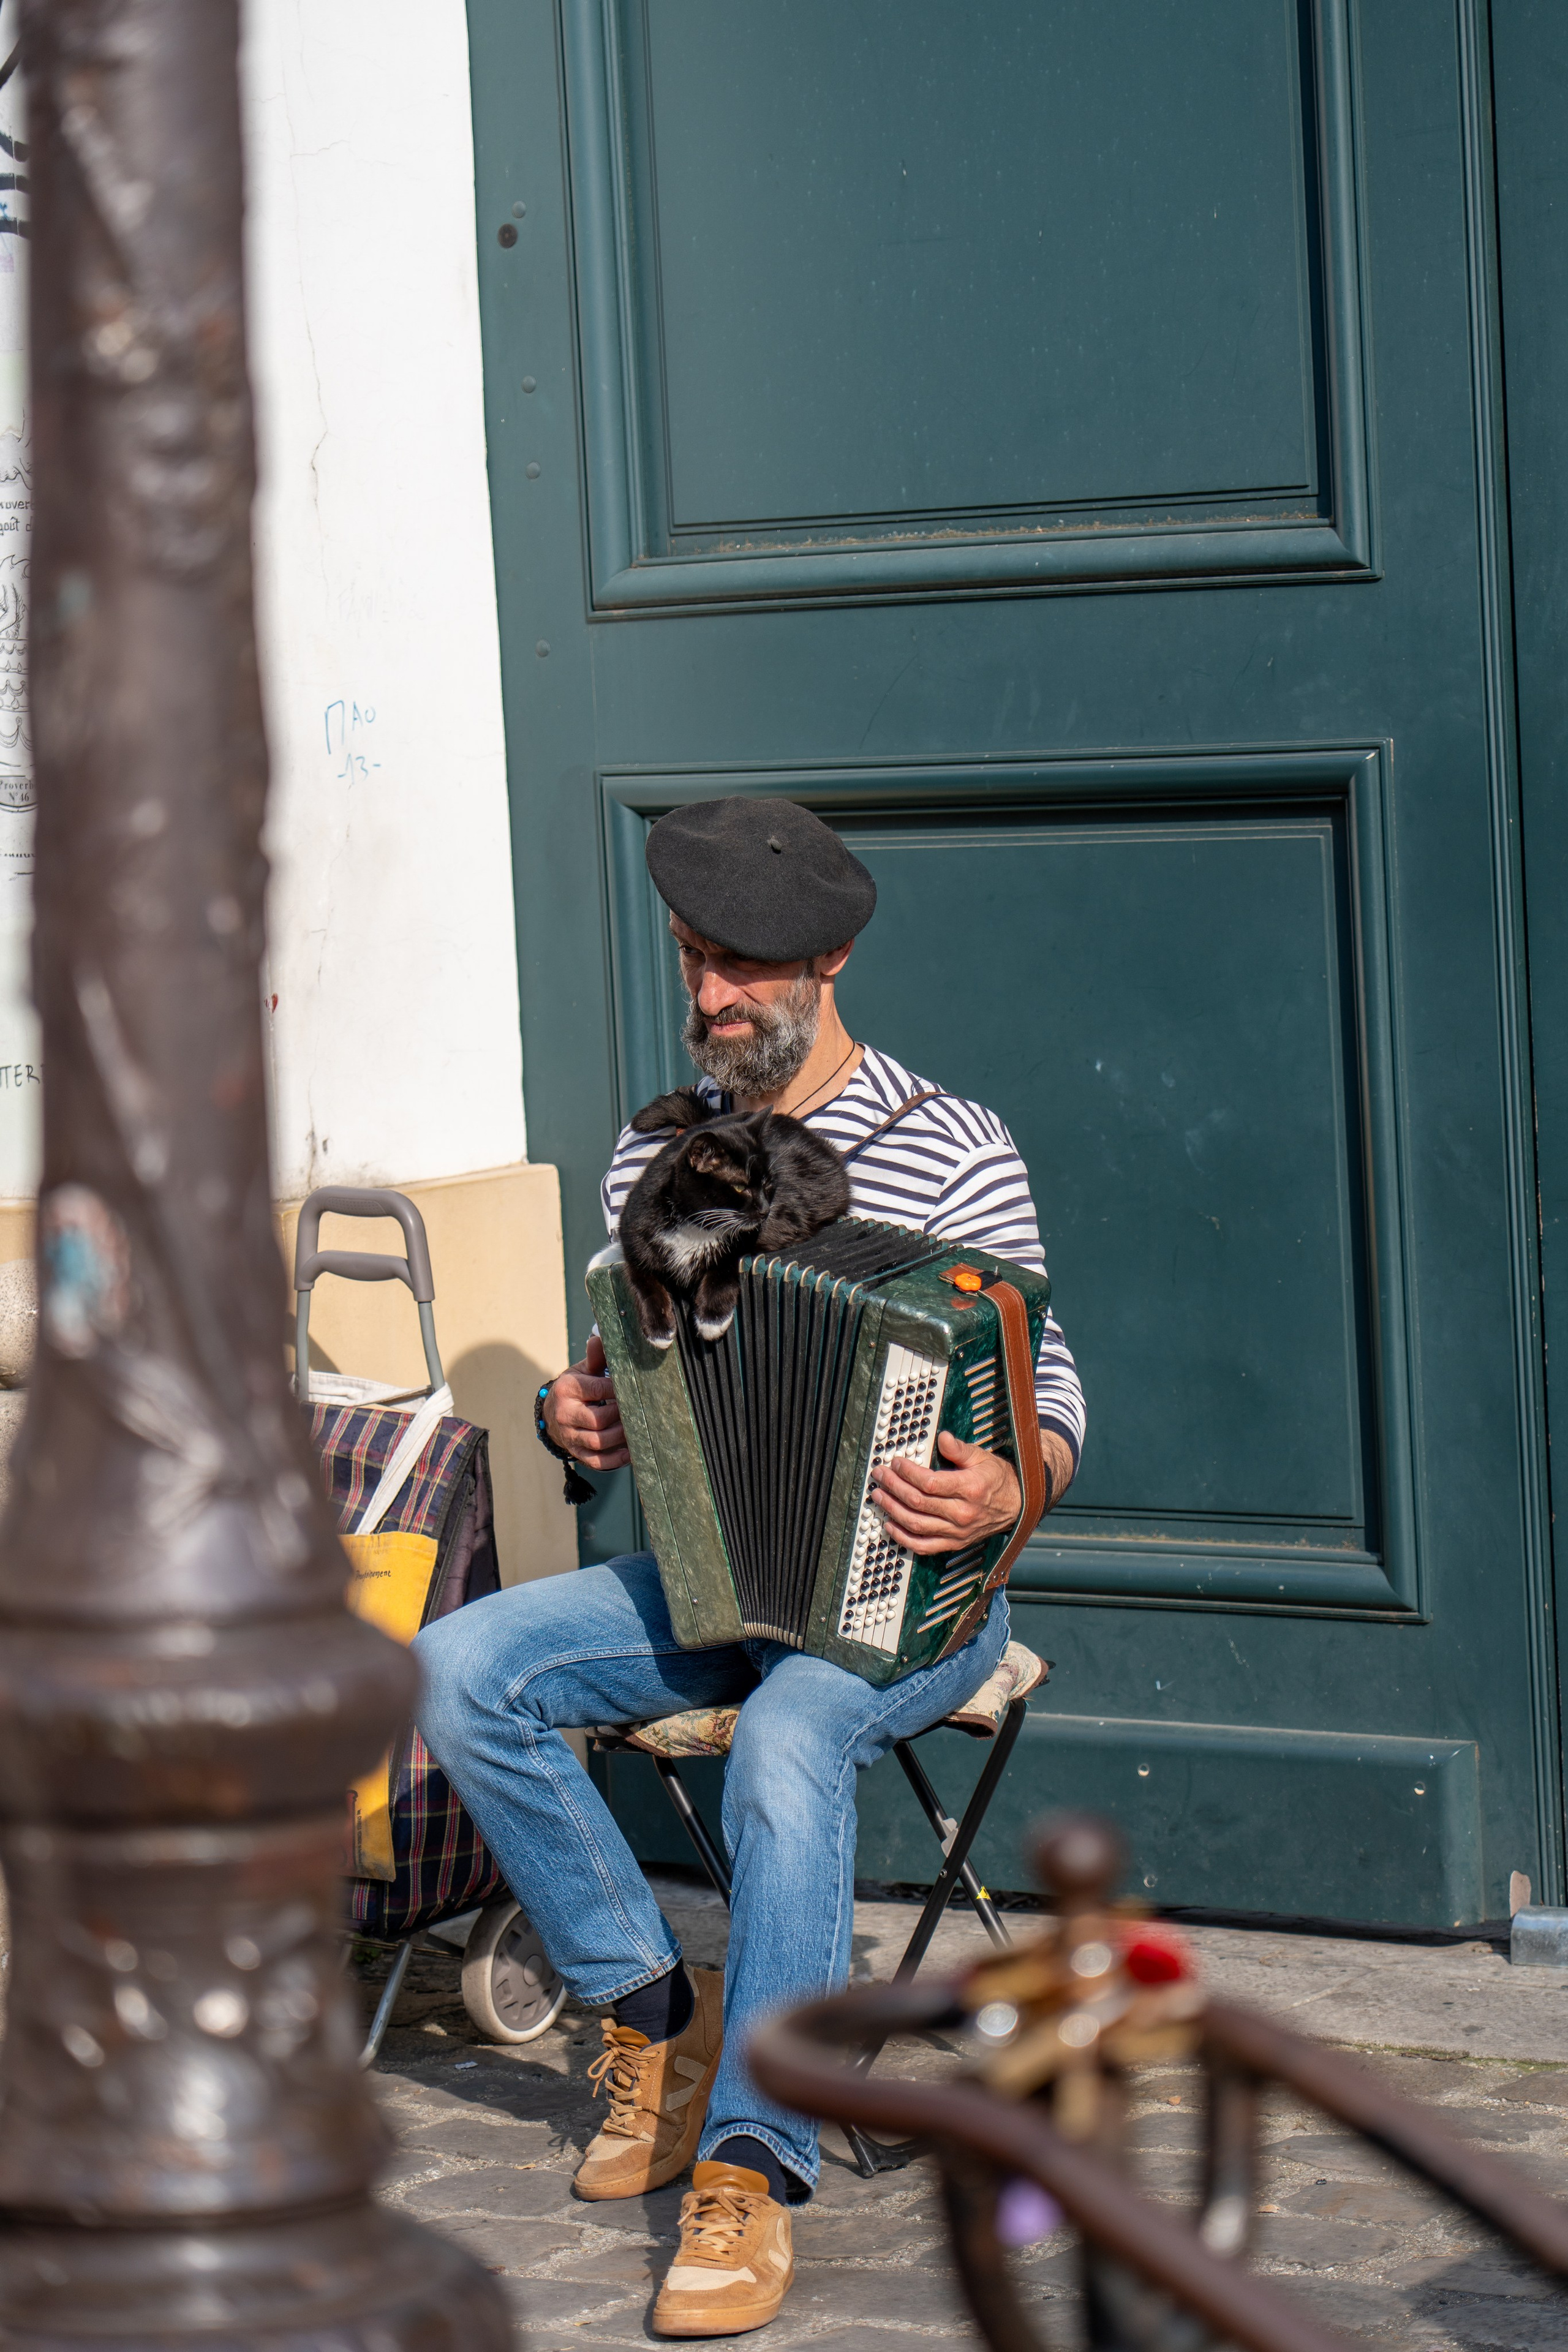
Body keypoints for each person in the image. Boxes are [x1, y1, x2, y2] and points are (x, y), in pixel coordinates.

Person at [414, 797, 1085, 2337]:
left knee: (790, 1730)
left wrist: (1005, 1485)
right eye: (694, 960)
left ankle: (750, 2158)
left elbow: (1054, 1398)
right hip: (721, 1582)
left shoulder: (955, 1146)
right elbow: (626, 1390)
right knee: (460, 1668)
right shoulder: (654, 1156)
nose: (713, 998)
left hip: (916, 1605)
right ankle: (658, 2012)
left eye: (747, 971)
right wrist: (569, 1414)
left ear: (830, 957)